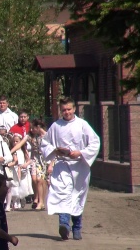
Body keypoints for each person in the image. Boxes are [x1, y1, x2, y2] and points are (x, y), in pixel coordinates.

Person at [41, 97, 100, 241]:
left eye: (69, 109)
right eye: (63, 110)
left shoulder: (82, 125)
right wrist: (56, 150)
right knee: (63, 193)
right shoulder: (56, 126)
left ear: (74, 109)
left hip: (80, 166)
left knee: (77, 196)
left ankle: (77, 227)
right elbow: (45, 143)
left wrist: (80, 152)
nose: (66, 112)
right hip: (62, 164)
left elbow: (94, 143)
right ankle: (64, 224)